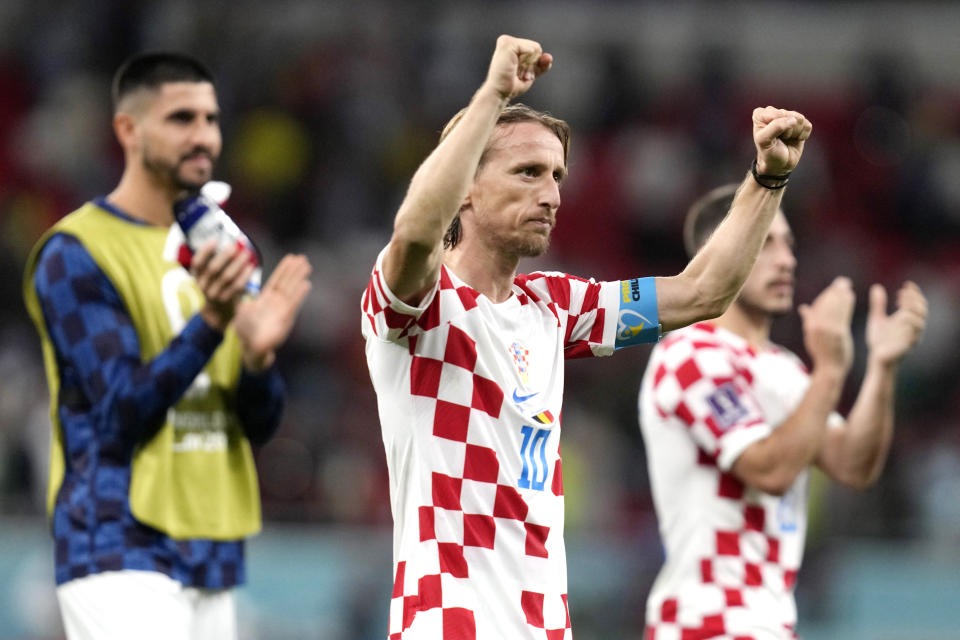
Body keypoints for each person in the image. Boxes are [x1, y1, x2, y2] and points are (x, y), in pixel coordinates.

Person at [360, 34, 812, 639]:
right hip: (449, 623)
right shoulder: (420, 305)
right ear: (464, 186)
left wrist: (767, 179)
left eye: (556, 175)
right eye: (527, 173)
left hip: (546, 626)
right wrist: (492, 97)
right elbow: (416, 230)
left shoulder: (553, 306)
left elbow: (702, 292)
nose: (551, 194)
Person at [22, 52, 312, 640]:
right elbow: (119, 412)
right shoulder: (75, 252)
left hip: (211, 544)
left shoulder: (224, 248)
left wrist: (257, 360)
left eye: (210, 119)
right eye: (182, 118)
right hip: (116, 540)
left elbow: (256, 424)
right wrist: (210, 321)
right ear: (128, 130)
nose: (204, 136)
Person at [637, 184, 927, 639]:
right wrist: (830, 370)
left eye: (789, 245)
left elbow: (854, 464)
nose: (787, 260)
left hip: (769, 622)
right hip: (706, 621)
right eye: (765, 243)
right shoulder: (689, 353)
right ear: (723, 252)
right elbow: (769, 470)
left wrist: (882, 368)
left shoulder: (783, 369)